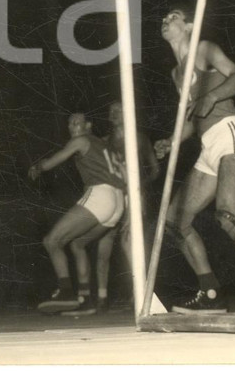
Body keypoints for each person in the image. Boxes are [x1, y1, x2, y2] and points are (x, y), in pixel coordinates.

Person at [154, 4, 235, 313]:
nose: (166, 21)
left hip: (231, 135)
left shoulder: (205, 49)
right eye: (164, 18)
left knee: (228, 213)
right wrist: (171, 141)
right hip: (209, 146)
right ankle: (210, 293)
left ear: (189, 25)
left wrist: (210, 96)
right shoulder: (176, 73)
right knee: (174, 221)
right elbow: (192, 119)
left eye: (173, 17)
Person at [29, 112, 125, 316]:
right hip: (118, 203)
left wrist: (38, 166)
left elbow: (53, 162)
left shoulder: (81, 140)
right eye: (70, 124)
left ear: (88, 125)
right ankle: (86, 299)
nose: (72, 127)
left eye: (77, 122)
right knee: (77, 244)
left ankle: (66, 292)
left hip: (101, 195)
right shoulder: (107, 146)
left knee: (51, 241)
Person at [95, 100, 161, 312]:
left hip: (134, 195)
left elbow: (155, 170)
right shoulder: (104, 142)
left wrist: (139, 185)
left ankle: (140, 292)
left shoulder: (139, 138)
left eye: (119, 110)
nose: (114, 114)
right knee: (104, 241)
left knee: (129, 241)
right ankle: (102, 297)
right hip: (113, 195)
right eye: (111, 111)